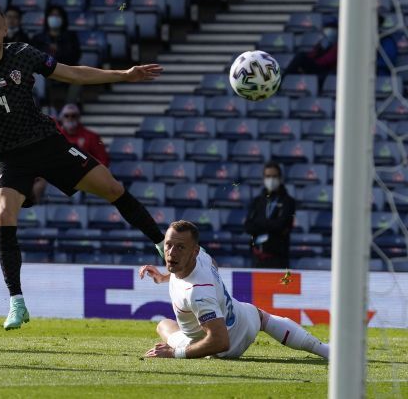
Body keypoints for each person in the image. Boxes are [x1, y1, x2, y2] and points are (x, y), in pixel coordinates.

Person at [0, 3, 166, 330]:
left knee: (111, 187)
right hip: (6, 156)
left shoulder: (23, 54)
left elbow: (73, 72)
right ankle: (17, 302)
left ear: (5, 29)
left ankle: (160, 244)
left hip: (46, 143)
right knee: (3, 211)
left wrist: (123, 75)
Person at [139, 221, 328, 360]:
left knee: (164, 326)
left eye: (180, 247)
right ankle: (324, 350)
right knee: (262, 317)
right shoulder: (202, 256)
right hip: (243, 319)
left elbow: (221, 341)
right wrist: (163, 277)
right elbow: (212, 265)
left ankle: (195, 349)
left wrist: (175, 353)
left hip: (221, 349)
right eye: (169, 245)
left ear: (194, 251)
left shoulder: (197, 292)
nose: (171, 252)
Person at [32, 103, 109, 203]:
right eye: (67, 115)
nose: (70, 118)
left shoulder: (91, 137)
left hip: (83, 173)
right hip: (58, 172)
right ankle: (33, 214)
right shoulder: (55, 135)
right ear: (61, 118)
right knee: (36, 180)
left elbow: (103, 161)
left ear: (78, 117)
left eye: (73, 115)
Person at [243, 162, 295, 269]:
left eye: (274, 176)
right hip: (257, 257)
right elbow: (248, 226)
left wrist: (259, 224)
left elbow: (282, 225)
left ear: (280, 178)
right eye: (268, 176)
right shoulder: (257, 201)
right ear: (263, 178)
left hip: (279, 259)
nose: (271, 179)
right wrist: (271, 225)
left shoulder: (288, 202)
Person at [284, 16, 338, 85]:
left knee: (301, 56)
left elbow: (328, 60)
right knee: (298, 65)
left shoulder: (339, 44)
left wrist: (310, 64)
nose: (330, 30)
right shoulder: (323, 42)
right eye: (327, 28)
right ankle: (283, 81)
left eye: (332, 28)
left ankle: (282, 78)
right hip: (316, 67)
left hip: (325, 71)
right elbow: (312, 54)